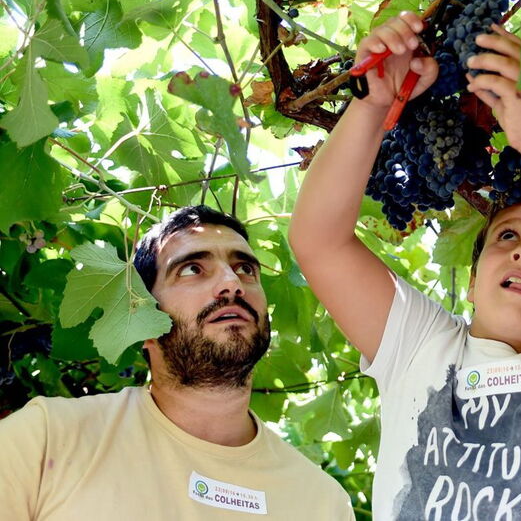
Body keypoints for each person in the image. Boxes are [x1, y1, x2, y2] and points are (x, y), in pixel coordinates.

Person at [289, 12, 521, 519]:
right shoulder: (420, 348)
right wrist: (375, 103)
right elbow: (318, 242)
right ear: (473, 283)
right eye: (508, 236)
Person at [0, 205, 353, 520]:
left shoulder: (323, 502)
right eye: (192, 269)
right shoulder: (47, 438)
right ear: (141, 317)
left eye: (245, 268)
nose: (232, 284)